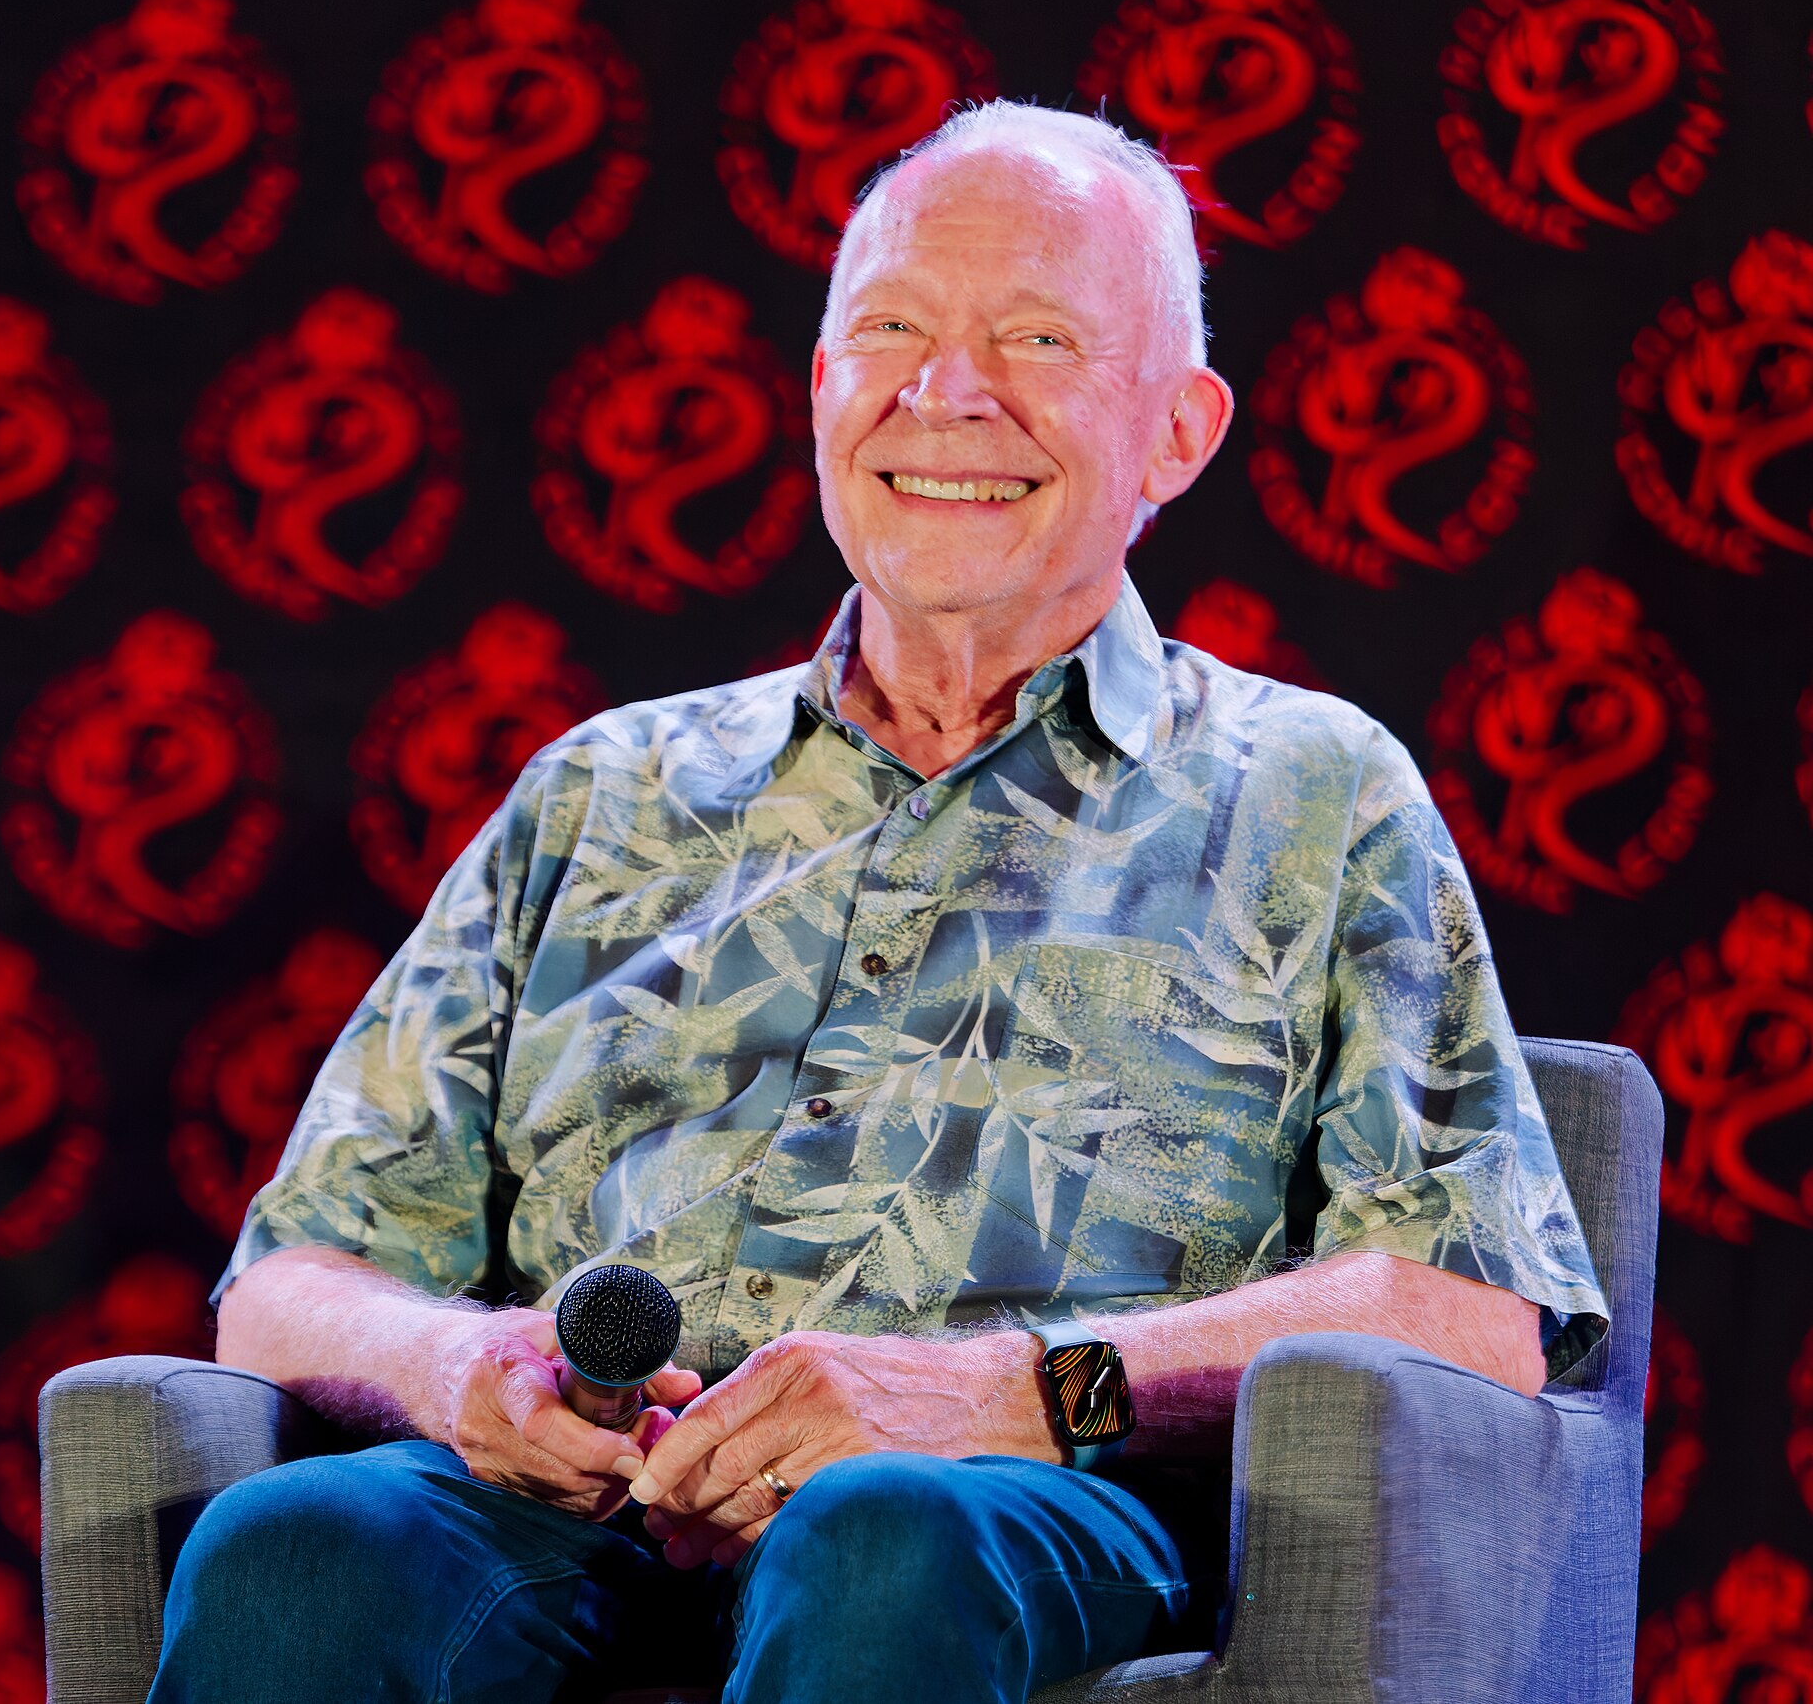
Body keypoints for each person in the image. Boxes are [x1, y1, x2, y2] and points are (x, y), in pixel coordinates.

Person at [149, 102, 1609, 1704]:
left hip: (1014, 1514)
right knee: (292, 1547)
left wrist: (1017, 1393)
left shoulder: (1311, 790)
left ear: (1179, 434)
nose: (949, 391)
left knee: (884, 1535)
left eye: (1038, 335)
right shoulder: (601, 790)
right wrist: (462, 1368)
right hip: (571, 1513)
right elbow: (291, 1278)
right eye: (890, 330)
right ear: (824, 389)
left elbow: (1471, 1309)